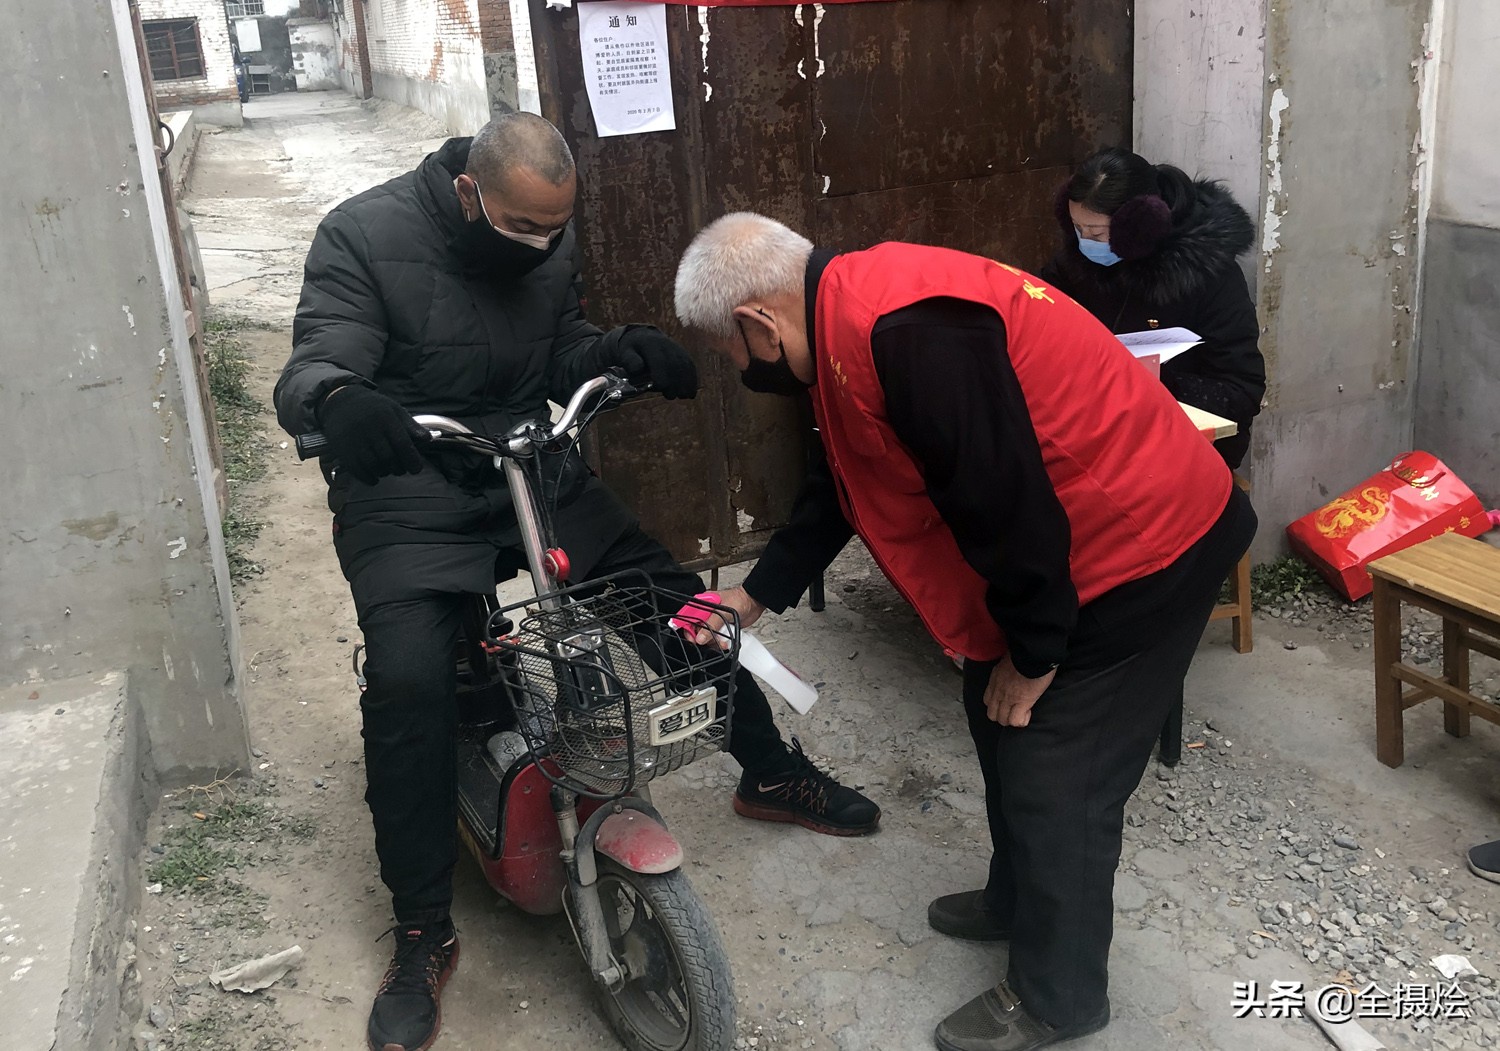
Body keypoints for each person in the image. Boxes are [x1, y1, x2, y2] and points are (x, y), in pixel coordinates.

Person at [275, 116, 879, 1051]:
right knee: (410, 681)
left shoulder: (545, 240)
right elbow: (317, 359)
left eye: (554, 232)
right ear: (472, 192)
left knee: (677, 606)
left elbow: (559, 348)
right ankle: (421, 932)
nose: (540, 246)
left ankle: (768, 768)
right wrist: (337, 399)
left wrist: (613, 350)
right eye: (522, 229)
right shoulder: (364, 233)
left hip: (528, 460)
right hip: (410, 481)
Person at [672, 213, 1256, 1051]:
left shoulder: (910, 334)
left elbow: (1008, 502)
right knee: (994, 718)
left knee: (1060, 773)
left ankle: (1059, 995)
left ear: (758, 322)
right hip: (1072, 544)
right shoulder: (843, 315)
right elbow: (847, 477)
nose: (736, 369)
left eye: (727, 350)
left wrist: (1034, 651)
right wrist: (754, 597)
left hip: (1148, 543)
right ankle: (1017, 901)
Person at [1038, 146, 1265, 470]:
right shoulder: (1077, 261)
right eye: (1077, 228)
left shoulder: (1209, 276)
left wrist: (1159, 383)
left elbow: (1243, 390)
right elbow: (1042, 314)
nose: (1084, 241)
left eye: (1097, 233)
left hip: (1185, 443)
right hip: (1099, 425)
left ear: (1140, 226)